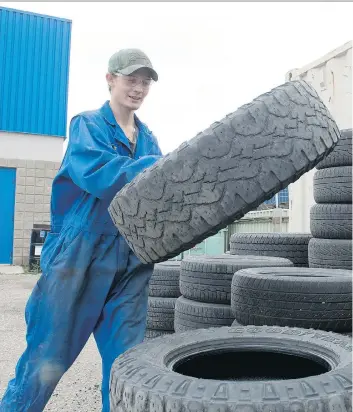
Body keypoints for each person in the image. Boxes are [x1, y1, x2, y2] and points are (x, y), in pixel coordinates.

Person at [0, 48, 163, 412]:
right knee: (45, 361)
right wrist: (162, 168)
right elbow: (99, 173)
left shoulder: (149, 139)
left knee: (127, 368)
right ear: (111, 79)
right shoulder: (87, 125)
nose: (137, 88)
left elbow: (159, 196)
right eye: (130, 79)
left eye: (144, 82)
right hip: (78, 257)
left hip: (132, 263)